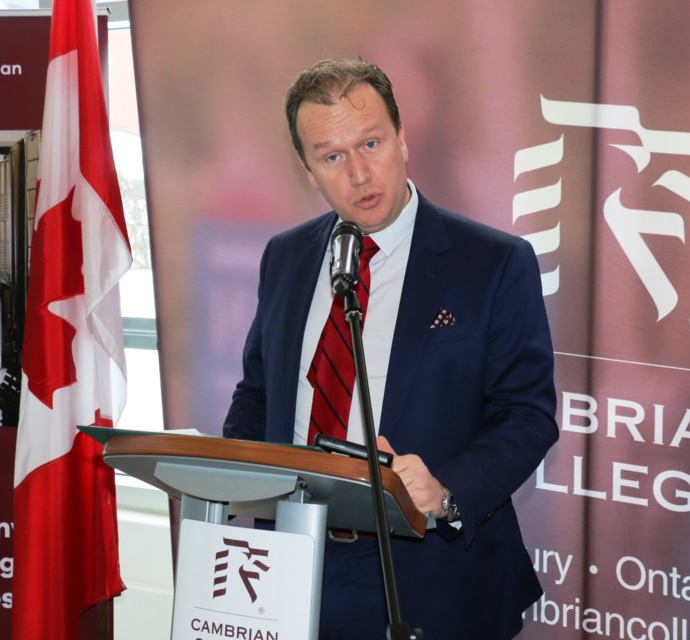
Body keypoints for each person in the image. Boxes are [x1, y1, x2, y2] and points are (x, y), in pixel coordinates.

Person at [223, 58, 558, 640]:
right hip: (293, 566)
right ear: (309, 171)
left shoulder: (494, 264)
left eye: (371, 143)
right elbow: (258, 392)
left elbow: (526, 417)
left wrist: (446, 489)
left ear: (403, 139)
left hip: (432, 574)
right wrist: (234, 471)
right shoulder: (286, 256)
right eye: (332, 156)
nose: (358, 173)